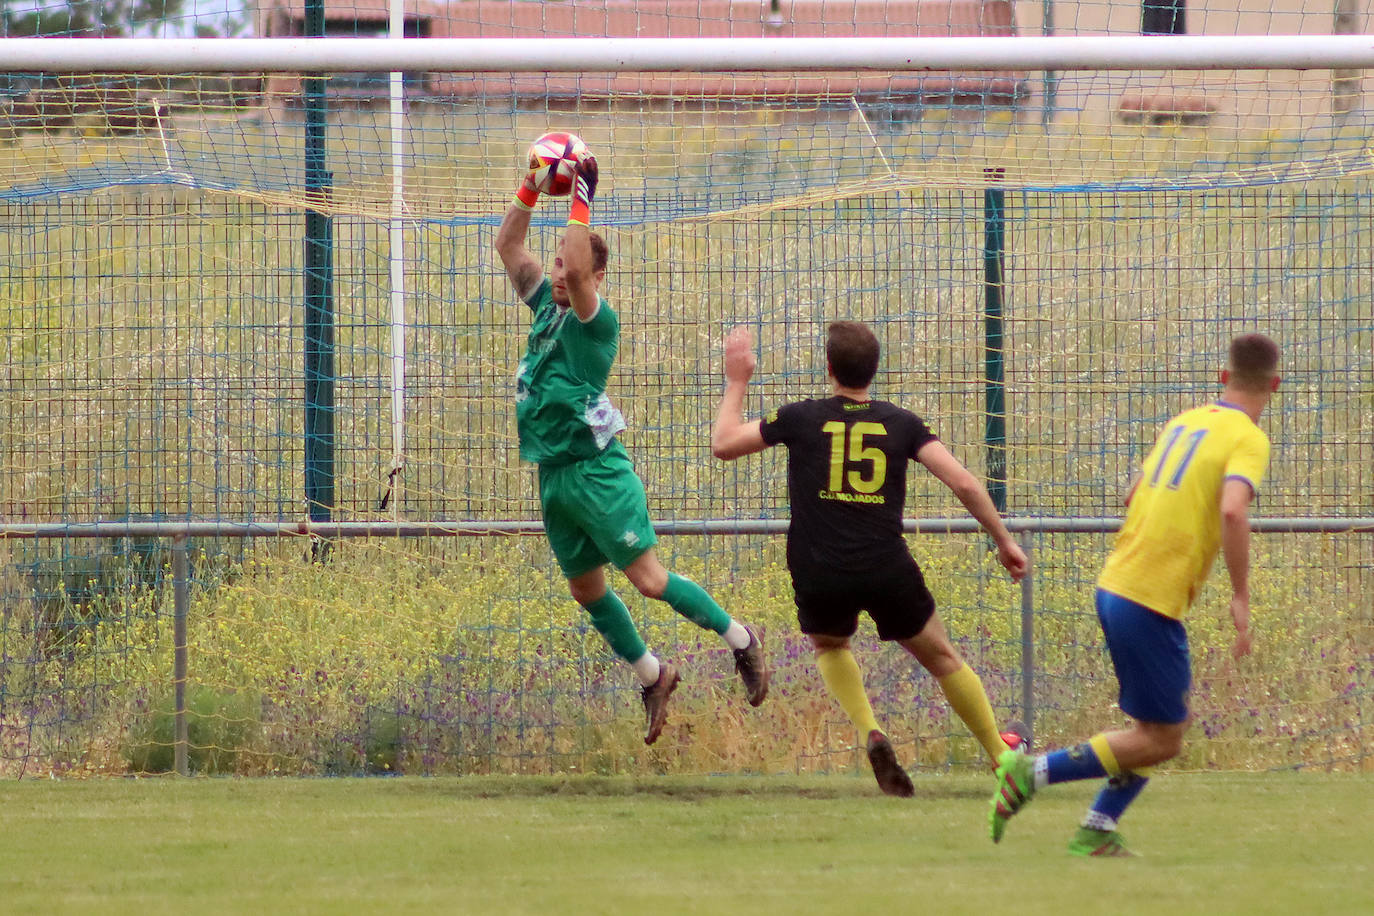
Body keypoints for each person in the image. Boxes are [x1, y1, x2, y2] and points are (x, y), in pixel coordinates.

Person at [494, 145, 769, 746]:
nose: (559, 273)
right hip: (554, 474)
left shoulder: (598, 324)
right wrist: (532, 185)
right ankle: (653, 675)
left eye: (572, 268)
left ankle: (743, 641)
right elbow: (510, 247)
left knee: (646, 578)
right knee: (586, 589)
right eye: (560, 268)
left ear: (593, 275)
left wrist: (580, 194)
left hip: (597, 473)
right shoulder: (546, 305)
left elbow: (573, 253)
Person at [987, 333, 1280, 857]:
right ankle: (1030, 772)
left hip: (1120, 581)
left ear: (1222, 378)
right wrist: (1240, 596)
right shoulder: (1249, 439)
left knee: (1159, 727)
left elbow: (1132, 493)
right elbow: (1234, 510)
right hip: (1147, 597)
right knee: (1163, 737)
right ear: (1274, 386)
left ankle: (1097, 830)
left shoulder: (1183, 422)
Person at [711, 321, 1029, 796]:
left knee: (830, 646)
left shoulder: (800, 417)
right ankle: (1002, 756)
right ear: (874, 370)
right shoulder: (901, 423)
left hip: (818, 567)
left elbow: (723, 444)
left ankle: (870, 731)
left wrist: (737, 381)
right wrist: (1003, 540)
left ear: (829, 367)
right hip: (886, 566)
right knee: (942, 658)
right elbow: (963, 482)